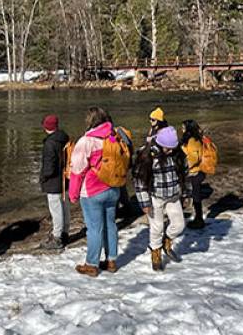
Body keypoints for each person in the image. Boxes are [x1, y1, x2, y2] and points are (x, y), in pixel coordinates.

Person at [68, 107, 121, 277]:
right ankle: (111, 260)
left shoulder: (86, 141)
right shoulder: (114, 136)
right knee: (110, 224)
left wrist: (73, 194)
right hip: (113, 187)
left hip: (92, 191)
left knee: (94, 228)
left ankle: (92, 264)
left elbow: (77, 170)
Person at [134, 126, 190, 272]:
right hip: (155, 197)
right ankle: (156, 253)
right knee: (157, 227)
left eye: (173, 148)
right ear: (160, 144)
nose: (170, 151)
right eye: (167, 149)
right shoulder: (147, 155)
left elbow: (185, 175)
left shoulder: (177, 154)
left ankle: (167, 240)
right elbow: (139, 182)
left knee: (179, 225)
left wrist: (186, 194)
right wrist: (145, 203)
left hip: (173, 196)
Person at [38, 114, 69, 250]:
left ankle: (57, 238)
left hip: (53, 181)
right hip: (64, 178)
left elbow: (49, 167)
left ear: (46, 127)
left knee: (56, 209)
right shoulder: (64, 138)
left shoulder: (50, 143)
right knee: (64, 206)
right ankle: (65, 232)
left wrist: (43, 178)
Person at [180, 120, 207, 229]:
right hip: (195, 172)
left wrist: (185, 168)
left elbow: (193, 158)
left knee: (195, 196)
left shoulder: (192, 141)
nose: (182, 129)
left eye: (183, 127)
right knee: (194, 195)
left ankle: (199, 220)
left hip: (194, 173)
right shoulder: (194, 139)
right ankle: (197, 218)